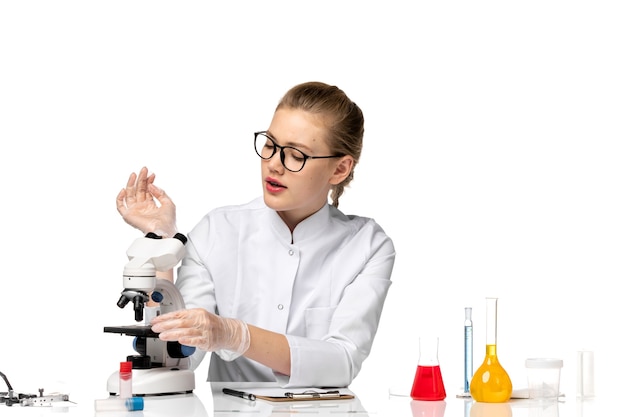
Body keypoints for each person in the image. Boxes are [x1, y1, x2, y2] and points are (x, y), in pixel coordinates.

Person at [116, 81, 395, 388]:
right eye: (270, 145)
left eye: (296, 155)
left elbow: (342, 362)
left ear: (340, 169)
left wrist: (234, 334)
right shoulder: (217, 232)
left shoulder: (367, 246)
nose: (274, 164)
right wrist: (161, 242)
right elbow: (181, 357)